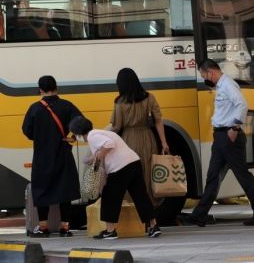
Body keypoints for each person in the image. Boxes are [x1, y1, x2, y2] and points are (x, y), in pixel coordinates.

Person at [185, 60, 254, 228]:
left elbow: (242, 105)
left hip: (230, 137)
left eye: (203, 75)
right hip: (221, 137)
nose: (204, 79)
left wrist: (235, 127)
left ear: (211, 72)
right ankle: (199, 215)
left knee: (243, 175)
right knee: (213, 176)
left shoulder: (228, 85)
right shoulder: (221, 86)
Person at [69, 117, 161, 239]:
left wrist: (101, 155)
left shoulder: (92, 136)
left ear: (79, 132)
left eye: (75, 134)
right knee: (140, 196)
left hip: (121, 167)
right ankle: (153, 226)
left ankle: (110, 231)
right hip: (134, 162)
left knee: (109, 197)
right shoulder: (102, 132)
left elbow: (109, 144)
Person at [22, 76, 82, 237]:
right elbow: (82, 123)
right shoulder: (66, 106)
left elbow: (27, 130)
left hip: (42, 155)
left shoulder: (34, 108)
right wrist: (73, 137)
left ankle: (43, 227)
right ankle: (65, 227)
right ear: (56, 87)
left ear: (40, 89)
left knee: (42, 189)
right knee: (65, 188)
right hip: (63, 153)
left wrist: (42, 137)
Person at [109, 68, 169, 205]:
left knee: (130, 177)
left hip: (128, 141)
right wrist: (164, 143)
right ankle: (150, 211)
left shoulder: (119, 102)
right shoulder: (149, 97)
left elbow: (117, 126)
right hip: (147, 138)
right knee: (147, 174)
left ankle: (133, 209)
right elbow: (158, 121)